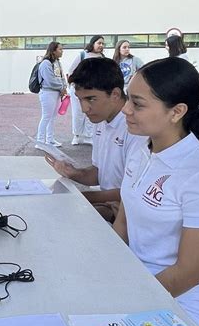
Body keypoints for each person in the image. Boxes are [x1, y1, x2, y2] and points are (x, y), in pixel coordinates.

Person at [85, 57, 199, 326]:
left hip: (186, 306)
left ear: (177, 111)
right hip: (142, 288)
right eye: (128, 98)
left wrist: (126, 301)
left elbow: (189, 273)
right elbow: (123, 225)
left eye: (138, 104)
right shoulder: (143, 150)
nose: (125, 109)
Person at [45, 58, 145, 222]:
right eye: (80, 99)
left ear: (115, 94)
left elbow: (133, 192)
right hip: (111, 208)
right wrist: (74, 173)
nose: (85, 109)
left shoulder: (136, 129)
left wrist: (80, 197)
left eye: (91, 99)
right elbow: (99, 173)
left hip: (128, 217)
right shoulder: (101, 120)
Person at [67, 35, 105, 146]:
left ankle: (89, 136)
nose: (101, 45)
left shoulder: (102, 57)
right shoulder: (82, 55)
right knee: (78, 113)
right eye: (99, 43)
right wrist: (73, 85)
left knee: (91, 112)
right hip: (79, 89)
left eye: (103, 43)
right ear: (93, 43)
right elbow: (71, 71)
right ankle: (76, 135)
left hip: (94, 90)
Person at [35, 41, 67, 148]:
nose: (62, 51)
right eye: (60, 49)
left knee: (52, 117)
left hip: (56, 93)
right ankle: (40, 141)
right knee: (46, 116)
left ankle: (50, 139)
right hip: (48, 93)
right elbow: (50, 80)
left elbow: (62, 77)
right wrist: (61, 88)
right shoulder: (45, 63)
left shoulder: (57, 62)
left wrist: (64, 87)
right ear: (53, 50)